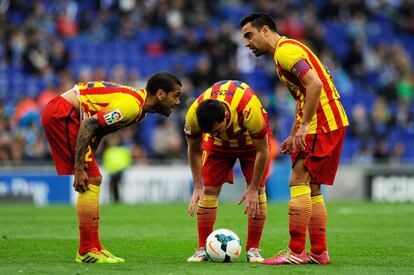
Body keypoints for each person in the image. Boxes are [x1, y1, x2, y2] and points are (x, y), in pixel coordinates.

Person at [240, 13, 349, 265]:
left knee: (298, 180)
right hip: (329, 122)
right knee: (311, 187)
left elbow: (314, 85)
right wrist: (294, 132)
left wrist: (307, 124)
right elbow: (304, 95)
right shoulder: (288, 51)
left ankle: (296, 251)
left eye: (249, 35)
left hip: (322, 123)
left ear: (265, 30)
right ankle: (319, 252)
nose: (247, 43)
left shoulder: (284, 52)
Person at [41, 72, 182, 264]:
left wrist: (89, 156)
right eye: (176, 95)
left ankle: (95, 247)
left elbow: (98, 129)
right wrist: (79, 167)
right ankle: (85, 251)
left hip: (70, 113)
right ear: (160, 94)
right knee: (91, 178)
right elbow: (89, 124)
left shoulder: (139, 110)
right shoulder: (131, 106)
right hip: (62, 113)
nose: (178, 102)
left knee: (94, 177)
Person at [185, 80, 271, 263]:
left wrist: (254, 188)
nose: (214, 134)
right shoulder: (193, 114)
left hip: (251, 143)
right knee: (208, 190)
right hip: (219, 148)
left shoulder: (248, 108)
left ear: (225, 116)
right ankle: (202, 249)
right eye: (209, 132)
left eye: (216, 130)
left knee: (260, 192)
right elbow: (193, 149)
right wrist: (196, 187)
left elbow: (264, 150)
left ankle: (253, 249)